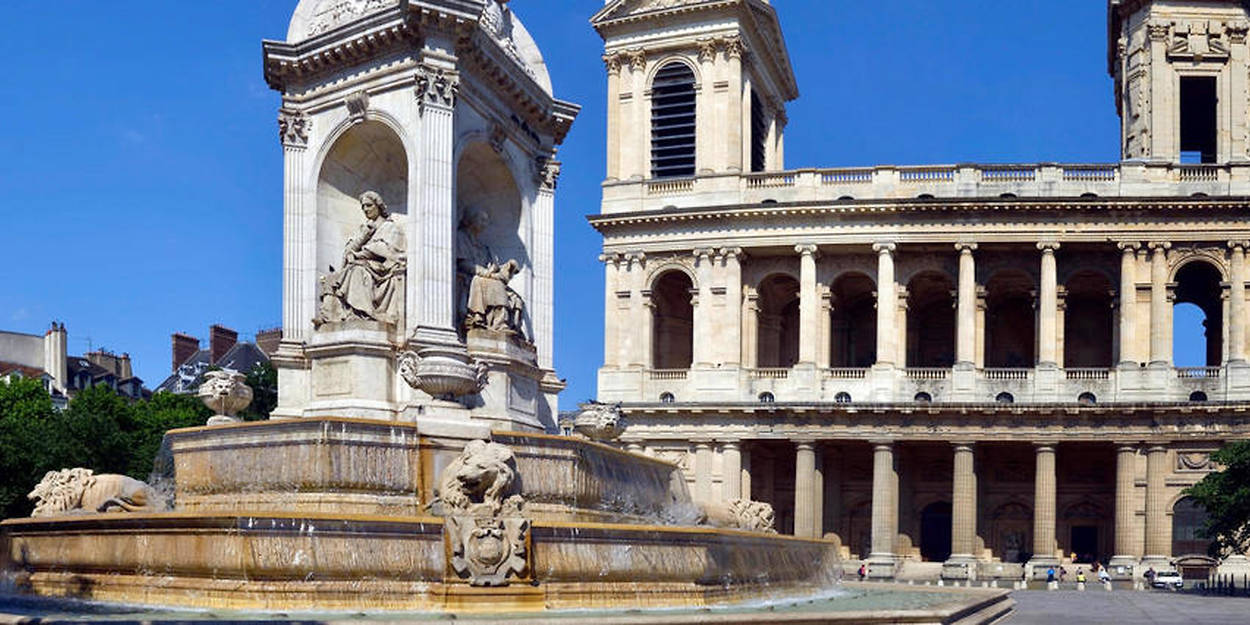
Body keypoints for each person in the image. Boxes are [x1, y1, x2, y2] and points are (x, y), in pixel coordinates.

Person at [315, 191, 407, 327]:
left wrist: (360, 254)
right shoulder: (364, 229)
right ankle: (329, 316)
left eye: (369, 205)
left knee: (357, 271)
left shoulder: (390, 227)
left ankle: (362, 314)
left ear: (378, 206)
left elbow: (388, 250)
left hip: (381, 269)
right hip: (361, 264)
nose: (365, 209)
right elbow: (348, 251)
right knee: (332, 279)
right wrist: (364, 236)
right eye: (363, 206)